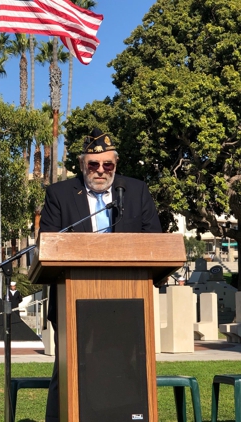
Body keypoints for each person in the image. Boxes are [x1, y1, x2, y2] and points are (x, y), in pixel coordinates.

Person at [39, 128, 162, 422]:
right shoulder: (60, 195)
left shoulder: (135, 191)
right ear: (82, 164)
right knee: (70, 369)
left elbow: (154, 242)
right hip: (74, 303)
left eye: (108, 165)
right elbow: (49, 243)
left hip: (128, 303)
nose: (101, 171)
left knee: (125, 372)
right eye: (93, 165)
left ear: (116, 164)